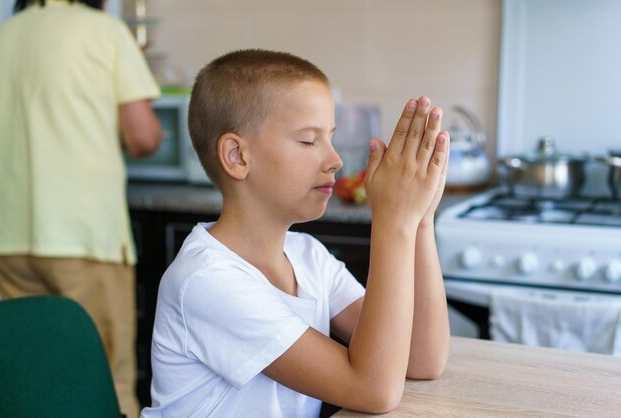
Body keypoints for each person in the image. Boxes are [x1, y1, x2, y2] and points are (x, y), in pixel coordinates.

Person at [142, 49, 451, 418]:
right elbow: (374, 390)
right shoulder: (207, 281)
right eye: (308, 141)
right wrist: (392, 222)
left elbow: (422, 359)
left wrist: (419, 220)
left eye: (330, 138)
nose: (335, 160)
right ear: (237, 156)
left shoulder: (308, 257)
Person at [0, 1, 162, 417]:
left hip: (8, 236)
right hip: (83, 233)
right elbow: (143, 136)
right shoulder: (104, 32)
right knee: (107, 378)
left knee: (40, 375)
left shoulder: (3, 36)